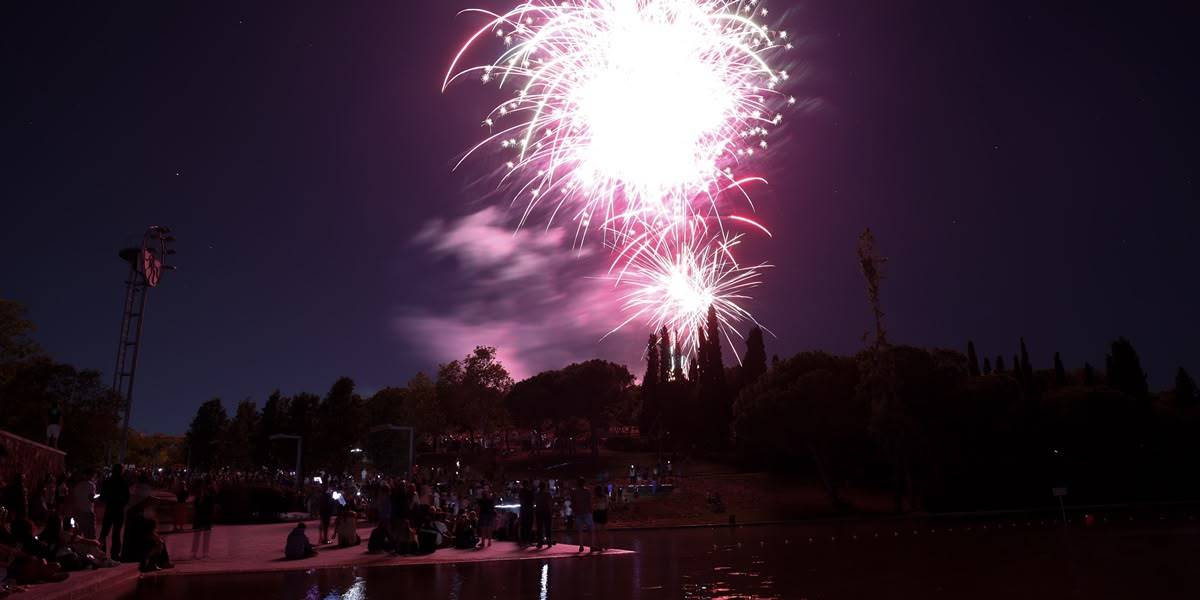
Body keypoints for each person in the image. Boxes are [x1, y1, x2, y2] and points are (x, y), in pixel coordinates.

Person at [123, 497, 173, 572]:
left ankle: (160, 562)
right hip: (135, 543)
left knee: (159, 541)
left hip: (138, 539)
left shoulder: (138, 510)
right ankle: (151, 564)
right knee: (157, 543)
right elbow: (142, 529)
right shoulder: (135, 512)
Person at [98, 464, 129, 559]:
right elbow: (127, 497)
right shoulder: (123, 482)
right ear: (121, 471)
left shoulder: (107, 481)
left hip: (110, 508)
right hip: (118, 509)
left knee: (104, 532)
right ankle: (115, 553)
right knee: (116, 532)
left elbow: (102, 496)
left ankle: (101, 552)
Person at [191, 483, 215, 559]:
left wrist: (211, 520)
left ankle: (205, 552)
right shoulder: (197, 499)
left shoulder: (209, 499)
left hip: (206, 519)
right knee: (196, 536)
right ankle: (194, 552)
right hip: (199, 519)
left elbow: (211, 510)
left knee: (206, 536)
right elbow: (196, 509)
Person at [71, 470, 97, 540]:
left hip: (78, 511)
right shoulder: (91, 485)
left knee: (77, 535)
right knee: (90, 536)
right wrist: (96, 497)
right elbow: (91, 498)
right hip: (88, 512)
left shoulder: (77, 485)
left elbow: (74, 498)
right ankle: (89, 550)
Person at [571, 478, 594, 553]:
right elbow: (590, 502)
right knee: (590, 530)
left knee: (580, 530)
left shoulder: (574, 492)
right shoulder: (587, 491)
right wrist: (591, 511)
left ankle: (581, 546)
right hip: (587, 512)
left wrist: (574, 511)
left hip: (578, 513)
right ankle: (591, 546)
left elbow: (573, 503)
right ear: (584, 483)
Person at [534, 481, 554, 549]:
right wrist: (551, 511)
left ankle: (540, 543)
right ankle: (549, 543)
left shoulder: (537, 494)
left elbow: (536, 504)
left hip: (539, 512)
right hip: (546, 512)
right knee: (548, 528)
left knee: (540, 528)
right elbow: (549, 504)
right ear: (545, 487)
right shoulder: (547, 494)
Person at [592, 485, 611, 552]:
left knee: (598, 531)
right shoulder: (605, 496)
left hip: (597, 513)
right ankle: (606, 545)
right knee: (604, 531)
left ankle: (600, 546)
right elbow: (607, 506)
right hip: (603, 513)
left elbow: (594, 506)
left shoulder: (595, 497)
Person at [518, 480, 534, 546]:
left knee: (523, 526)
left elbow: (520, 500)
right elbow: (532, 501)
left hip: (523, 510)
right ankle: (527, 541)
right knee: (528, 526)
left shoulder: (521, 492)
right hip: (528, 510)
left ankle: (523, 541)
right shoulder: (529, 492)